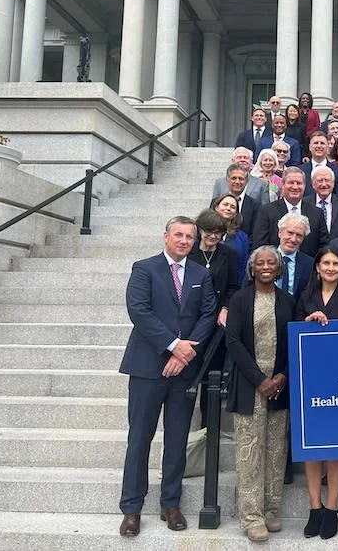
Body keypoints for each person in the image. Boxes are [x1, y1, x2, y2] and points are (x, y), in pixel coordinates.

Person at [118, 216, 216, 537]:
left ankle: (170, 504)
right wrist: (174, 346)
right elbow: (139, 311)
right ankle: (131, 508)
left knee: (176, 440)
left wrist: (186, 353)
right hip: (148, 367)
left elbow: (208, 314)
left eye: (190, 236)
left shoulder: (202, 274)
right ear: (166, 236)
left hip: (184, 372)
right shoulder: (144, 268)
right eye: (179, 234)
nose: (184, 240)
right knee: (140, 439)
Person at [225, 247, 296, 542]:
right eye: (260, 263)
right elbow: (233, 341)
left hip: (280, 386)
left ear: (279, 270)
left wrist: (282, 376)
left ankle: (270, 509)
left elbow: (296, 339)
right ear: (252, 269)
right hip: (250, 386)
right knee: (250, 452)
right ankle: (251, 516)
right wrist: (259, 379)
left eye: (272, 263)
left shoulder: (289, 301)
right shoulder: (240, 300)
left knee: (276, 450)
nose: (266, 267)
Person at [295, 246, 338, 540]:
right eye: (326, 263)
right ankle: (315, 507)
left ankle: (332, 508)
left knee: (336, 447)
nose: (331, 268)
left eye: (336, 263)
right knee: (313, 447)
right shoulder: (305, 296)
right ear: (317, 267)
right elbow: (295, 333)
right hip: (311, 377)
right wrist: (308, 323)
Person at [189, 209, 240, 427]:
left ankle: (208, 427)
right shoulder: (188, 252)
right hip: (190, 321)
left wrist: (226, 308)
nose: (213, 237)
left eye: (218, 233)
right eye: (209, 232)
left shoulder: (229, 254)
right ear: (199, 230)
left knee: (212, 376)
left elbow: (233, 286)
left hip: (216, 323)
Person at [252, 167, 330, 258]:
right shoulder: (267, 211)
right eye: (291, 183)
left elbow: (324, 246)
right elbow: (260, 245)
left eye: (299, 183)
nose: (295, 187)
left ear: (304, 186)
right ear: (283, 185)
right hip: (276, 267)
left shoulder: (316, 213)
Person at [305, 165, 338, 240]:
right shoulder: (305, 203)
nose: (324, 184)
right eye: (320, 180)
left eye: (327, 180)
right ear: (313, 184)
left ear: (333, 183)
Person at [211, 194, 250, 287]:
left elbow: (243, 266)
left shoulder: (242, 237)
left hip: (231, 287)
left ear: (235, 214)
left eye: (233, 207)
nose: (228, 208)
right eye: (225, 204)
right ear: (216, 207)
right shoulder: (204, 231)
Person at [274, 213, 315, 302]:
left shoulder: (310, 264)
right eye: (290, 233)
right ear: (280, 232)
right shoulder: (262, 259)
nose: (293, 239)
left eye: (299, 235)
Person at [211, 163, 260, 235]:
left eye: (241, 179)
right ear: (227, 180)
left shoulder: (255, 205)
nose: (237, 182)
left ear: (246, 181)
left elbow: (254, 233)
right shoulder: (215, 202)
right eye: (234, 178)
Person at [302, 131, 338, 196]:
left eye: (322, 143)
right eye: (316, 143)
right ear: (310, 147)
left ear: (327, 147)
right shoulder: (300, 171)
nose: (319, 146)